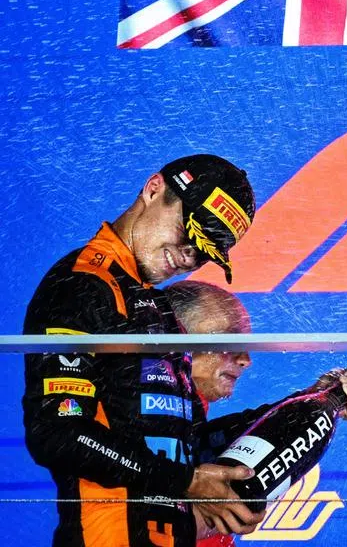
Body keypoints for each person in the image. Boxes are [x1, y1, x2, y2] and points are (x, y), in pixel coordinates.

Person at [23, 154, 268, 546]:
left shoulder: (157, 306)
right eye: (187, 232)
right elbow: (58, 432)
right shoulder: (83, 285)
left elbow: (183, 439)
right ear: (154, 189)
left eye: (204, 251)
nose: (189, 254)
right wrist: (186, 480)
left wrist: (311, 404)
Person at [164, 280, 347, 546]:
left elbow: (212, 440)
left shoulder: (181, 417)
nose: (245, 359)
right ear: (174, 334)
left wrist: (318, 396)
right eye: (228, 340)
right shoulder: (131, 412)